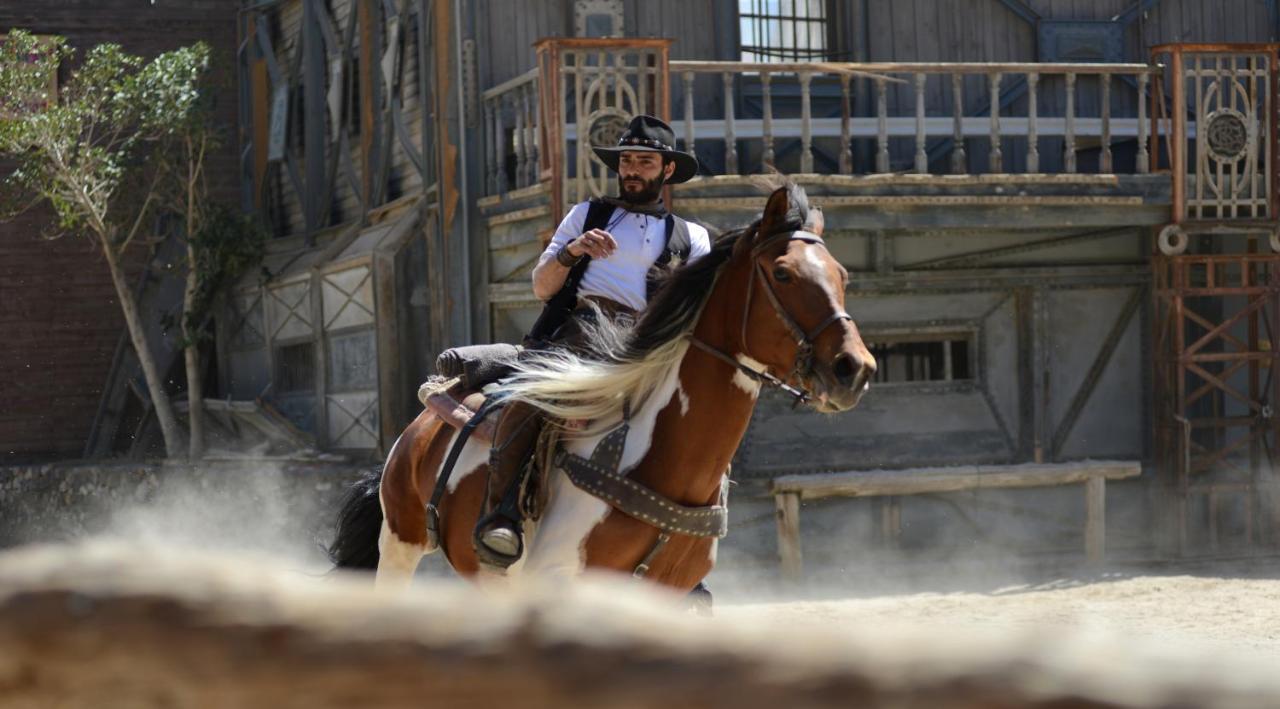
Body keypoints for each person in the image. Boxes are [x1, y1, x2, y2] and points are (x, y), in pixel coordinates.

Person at [474, 114, 711, 570]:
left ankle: (688, 554)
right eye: (626, 161)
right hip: (580, 333)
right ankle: (500, 514)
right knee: (530, 399)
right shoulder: (587, 214)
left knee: (700, 422)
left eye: (644, 161)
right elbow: (543, 288)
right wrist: (573, 250)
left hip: (650, 347)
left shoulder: (693, 238)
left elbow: (698, 311)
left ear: (666, 170)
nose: (632, 170)